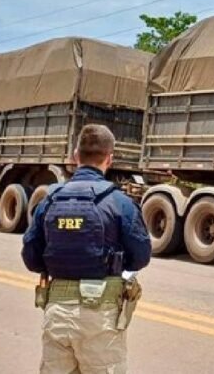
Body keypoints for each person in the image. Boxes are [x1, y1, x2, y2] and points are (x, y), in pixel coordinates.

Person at [22, 124, 151, 374]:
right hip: (100, 318)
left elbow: (31, 257)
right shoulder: (120, 203)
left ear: (75, 156)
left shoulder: (50, 199)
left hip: (56, 314)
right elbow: (141, 257)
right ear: (109, 159)